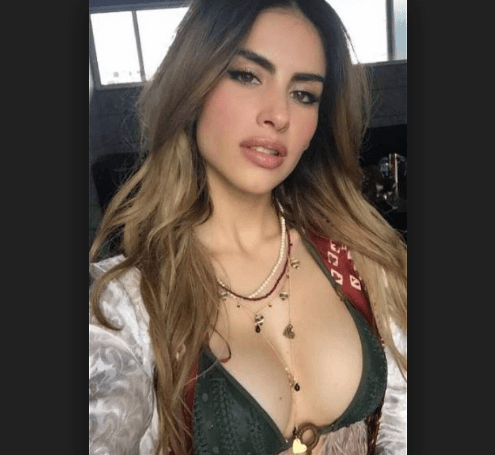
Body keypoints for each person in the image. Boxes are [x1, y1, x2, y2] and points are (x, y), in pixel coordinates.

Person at [89, 0, 407, 454]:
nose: (279, 115)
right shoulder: (125, 306)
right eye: (247, 75)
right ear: (193, 87)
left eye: (304, 94)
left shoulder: (361, 259)